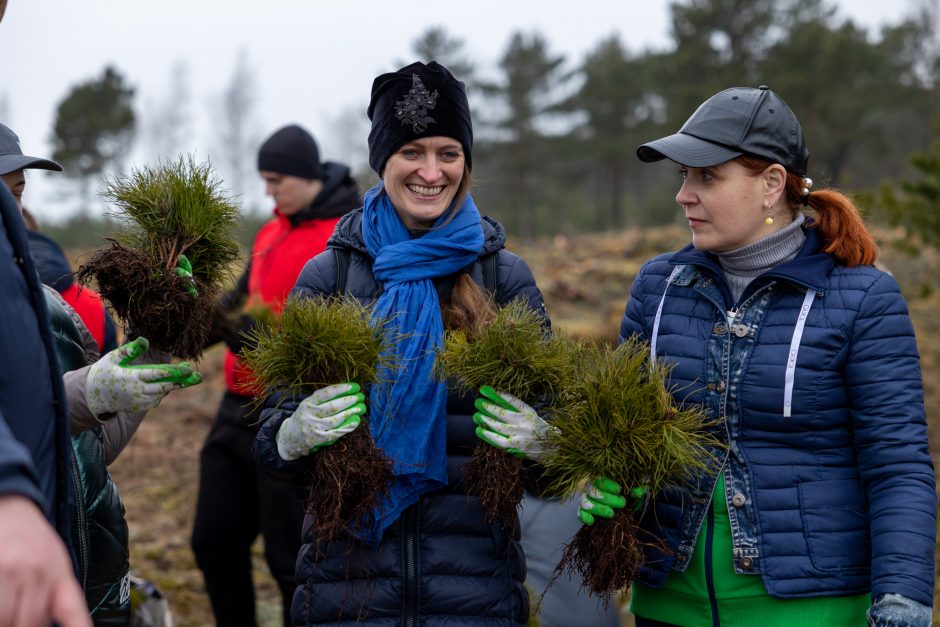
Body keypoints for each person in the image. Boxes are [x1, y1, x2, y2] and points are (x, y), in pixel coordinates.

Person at [576, 86, 936, 626]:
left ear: (770, 184)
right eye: (683, 176)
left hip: (809, 610)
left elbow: (897, 464)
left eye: (707, 177)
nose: (684, 195)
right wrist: (609, 481)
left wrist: (903, 596)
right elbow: (628, 437)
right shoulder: (658, 286)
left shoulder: (862, 298)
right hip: (667, 607)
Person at [253, 61, 554, 626]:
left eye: (449, 153)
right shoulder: (329, 278)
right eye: (412, 152)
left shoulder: (503, 279)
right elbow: (272, 444)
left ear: (466, 163)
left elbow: (556, 463)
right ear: (382, 161)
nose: (431, 172)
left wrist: (546, 445)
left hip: (475, 594)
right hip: (346, 593)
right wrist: (292, 436)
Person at [2, 119, 202, 626]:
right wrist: (83, 393)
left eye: (17, 194)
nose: (9, 212)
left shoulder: (50, 311)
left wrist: (152, 347)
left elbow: (88, 451)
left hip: (95, 582)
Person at [191, 123, 360, 626]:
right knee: (213, 539)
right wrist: (194, 323)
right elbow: (240, 299)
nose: (268, 191)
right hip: (236, 406)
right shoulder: (270, 230)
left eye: (276, 180)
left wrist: (254, 336)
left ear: (307, 176)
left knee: (291, 562)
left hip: (293, 414)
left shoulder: (343, 235)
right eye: (263, 179)